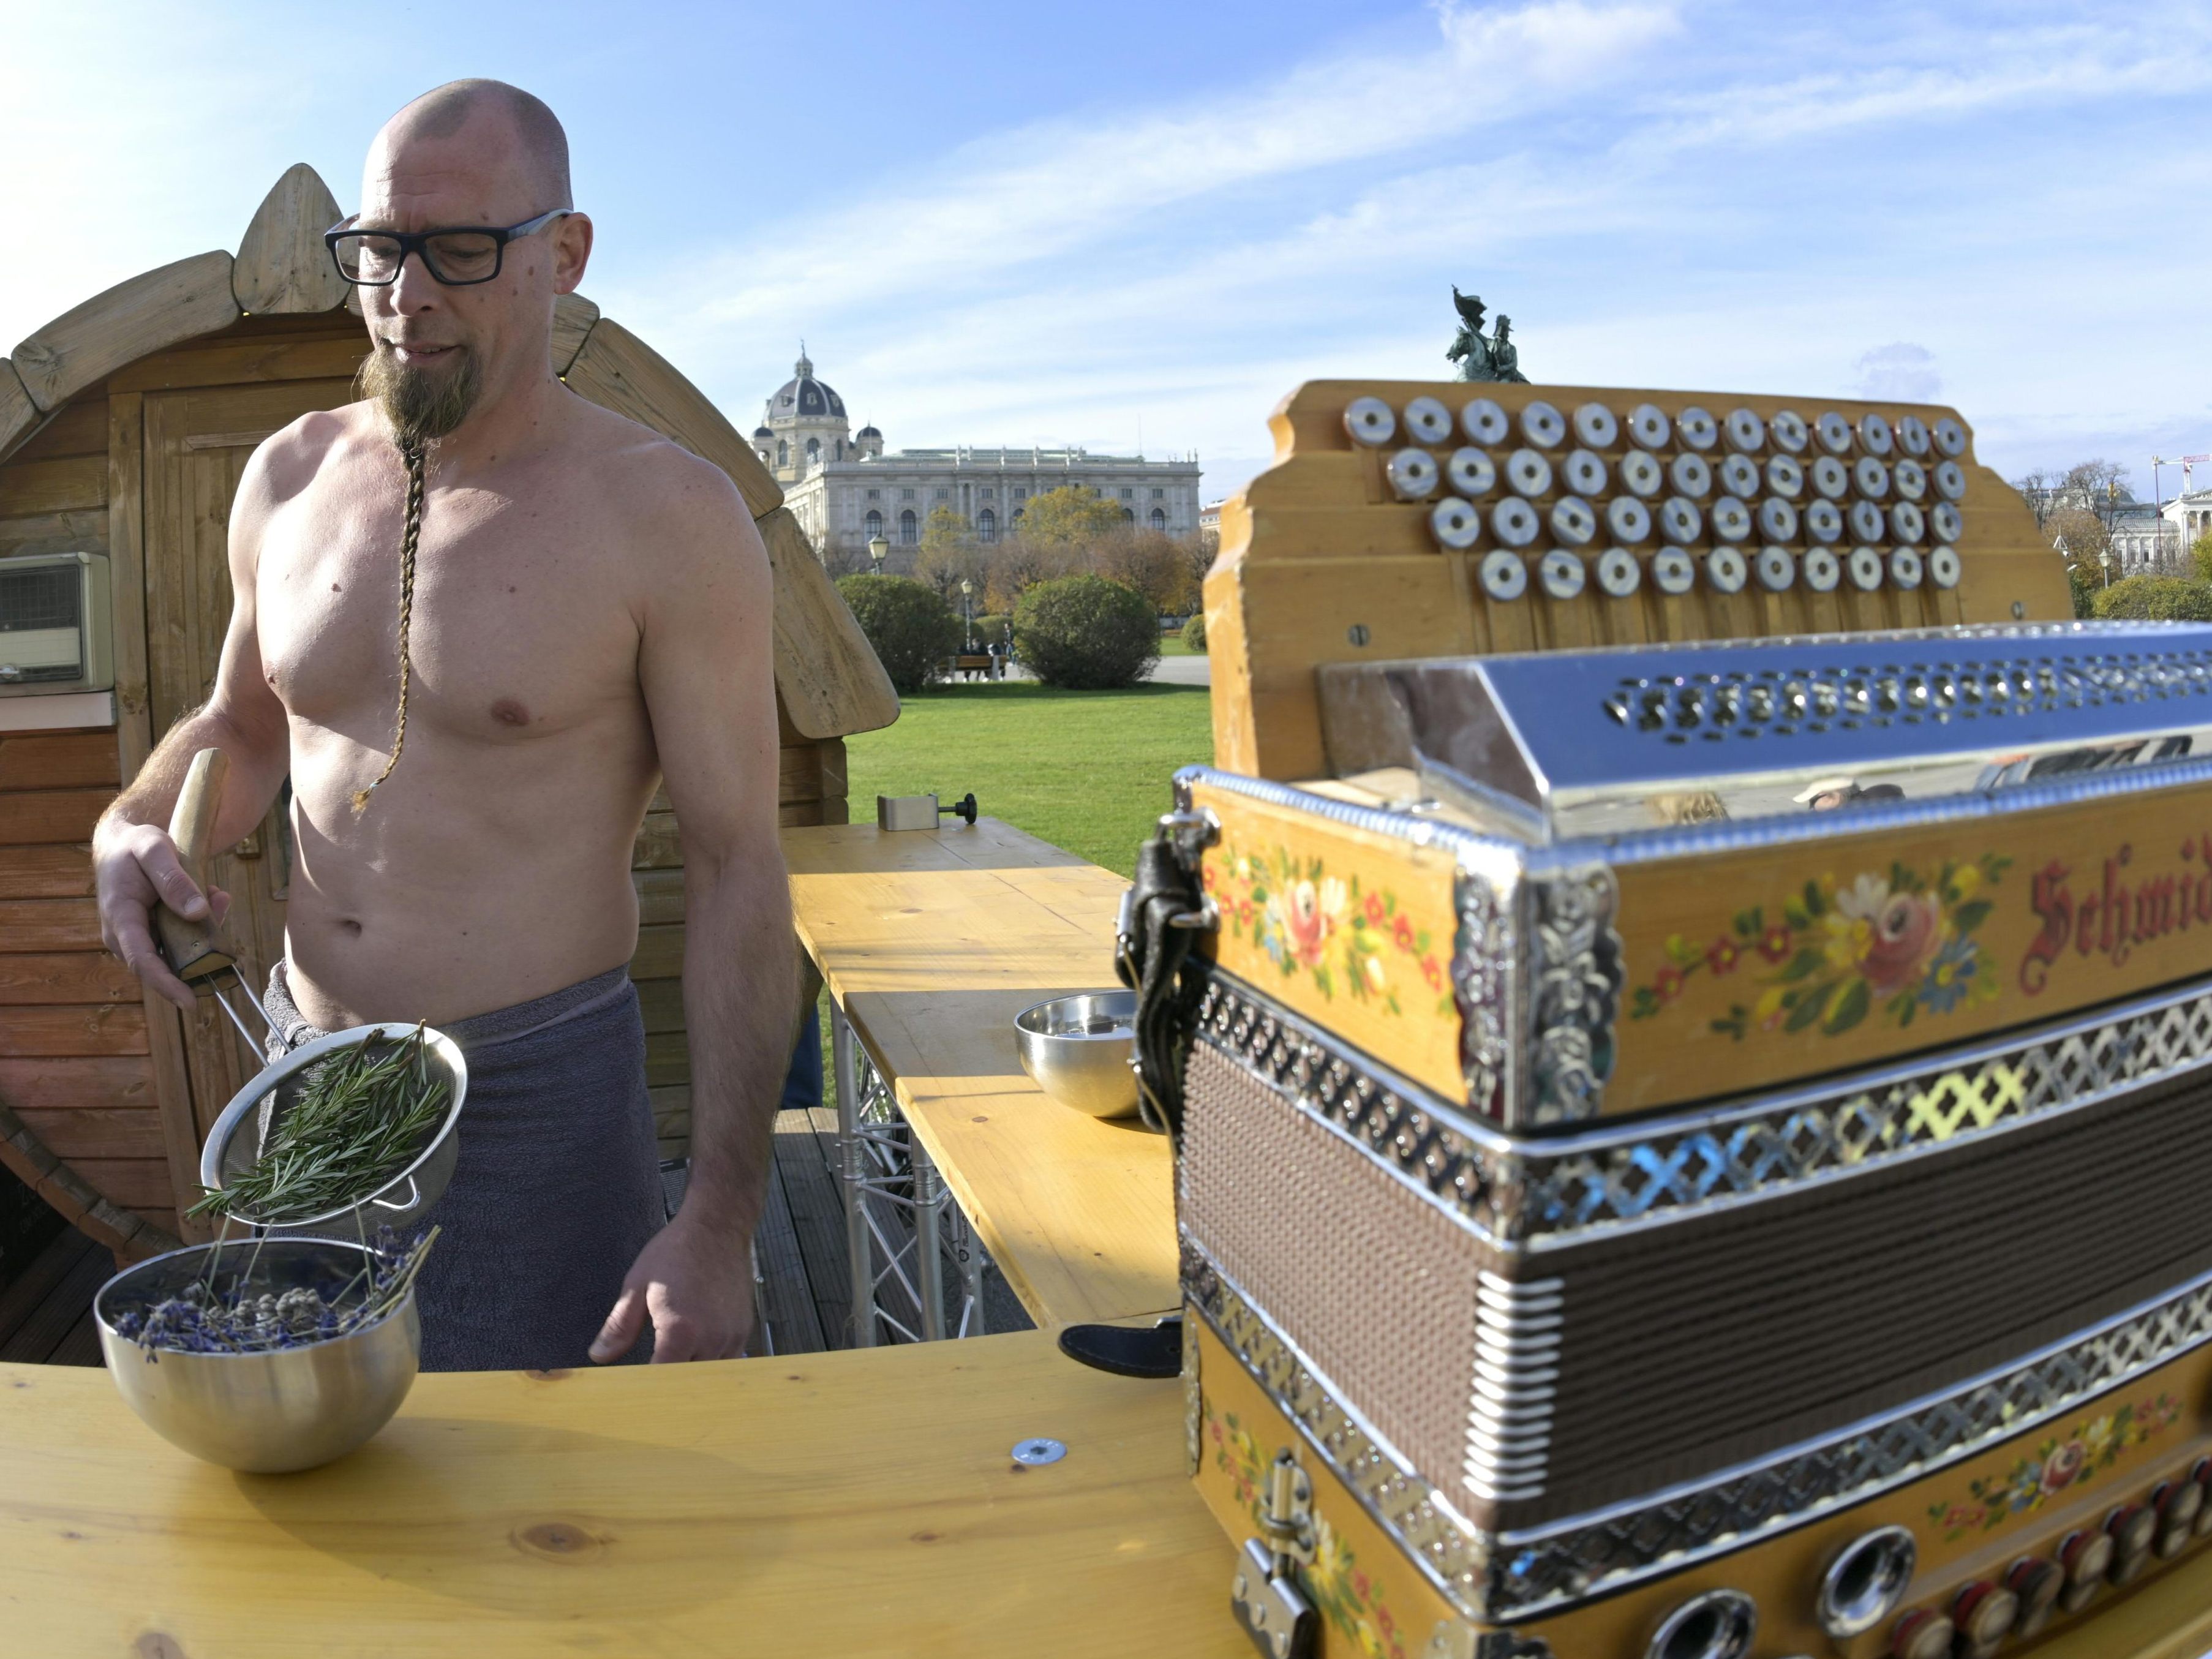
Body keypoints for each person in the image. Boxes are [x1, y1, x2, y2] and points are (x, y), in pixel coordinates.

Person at [91, 80, 791, 1371]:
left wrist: (721, 1219)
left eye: (460, 251)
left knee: (547, 1501)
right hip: (306, 1068)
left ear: (563, 255)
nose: (405, 295)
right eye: (377, 249)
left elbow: (741, 863)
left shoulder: (666, 517)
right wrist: (139, 821)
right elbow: (241, 727)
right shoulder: (288, 474)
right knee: (317, 1458)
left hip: (538, 1100)